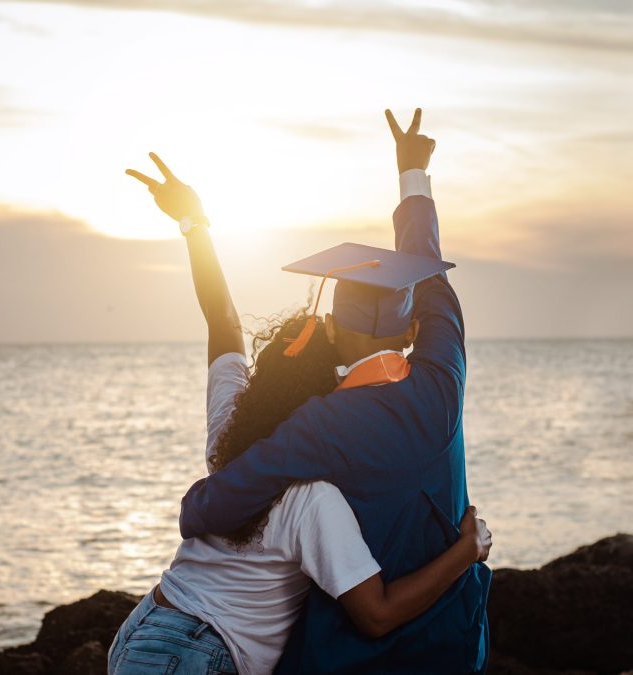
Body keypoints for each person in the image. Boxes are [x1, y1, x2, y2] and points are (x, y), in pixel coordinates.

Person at [107, 146, 492, 675]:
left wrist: (194, 225)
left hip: (144, 626)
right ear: (411, 331)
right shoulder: (438, 387)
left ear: (330, 329)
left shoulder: (257, 426)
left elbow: (223, 324)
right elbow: (434, 283)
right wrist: (413, 175)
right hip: (204, 652)